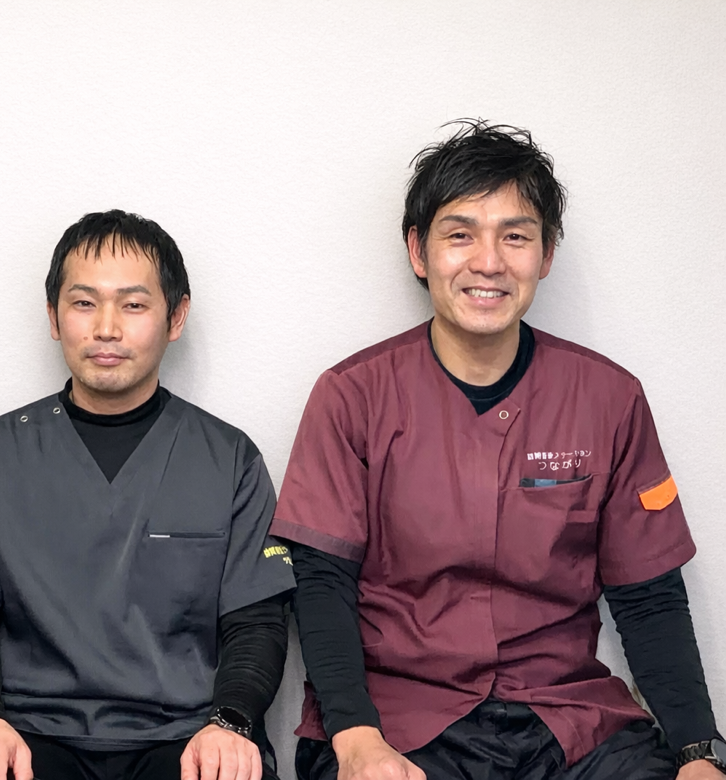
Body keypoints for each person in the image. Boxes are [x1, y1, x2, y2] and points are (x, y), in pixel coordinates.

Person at [271, 121, 723, 780]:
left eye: (515, 236)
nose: (489, 262)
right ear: (419, 251)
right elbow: (321, 583)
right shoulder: (352, 396)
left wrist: (698, 752)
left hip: (568, 720)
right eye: (460, 235)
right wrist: (357, 738)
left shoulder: (609, 398)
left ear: (546, 255)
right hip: (398, 721)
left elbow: (648, 594)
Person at [0, 210, 296, 780]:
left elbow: (257, 621)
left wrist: (230, 722)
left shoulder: (228, 458)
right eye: (83, 302)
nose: (106, 328)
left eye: (133, 305)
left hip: (188, 735)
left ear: (176, 317)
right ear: (53, 316)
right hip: (30, 734)